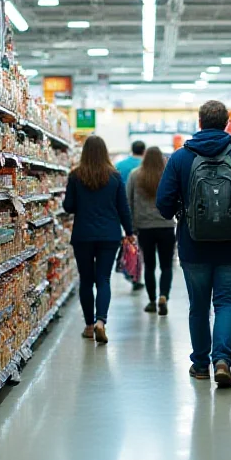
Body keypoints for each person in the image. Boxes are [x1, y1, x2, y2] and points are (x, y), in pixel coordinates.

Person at [156, 100, 231, 387]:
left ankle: (200, 364)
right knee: (225, 302)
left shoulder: (180, 159)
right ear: (227, 123)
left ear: (200, 122)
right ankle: (222, 360)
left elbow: (163, 206)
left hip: (193, 245)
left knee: (198, 305)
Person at [63, 135, 134, 344]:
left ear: (84, 152)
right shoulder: (114, 176)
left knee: (86, 280)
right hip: (109, 235)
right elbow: (123, 208)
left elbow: (68, 206)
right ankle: (101, 321)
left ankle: (88, 325)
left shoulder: (75, 176)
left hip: (83, 235)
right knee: (103, 279)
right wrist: (129, 232)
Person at [127, 147, 176, 316]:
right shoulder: (169, 175)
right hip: (166, 226)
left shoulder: (135, 175)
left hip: (144, 228)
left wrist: (131, 227)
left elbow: (129, 202)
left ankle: (152, 300)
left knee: (149, 266)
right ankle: (164, 296)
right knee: (166, 266)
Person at [116, 141, 147, 290]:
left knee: (127, 242)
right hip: (142, 210)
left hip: (122, 209)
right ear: (144, 151)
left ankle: (127, 266)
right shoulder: (146, 166)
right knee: (138, 245)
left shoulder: (120, 165)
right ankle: (135, 274)